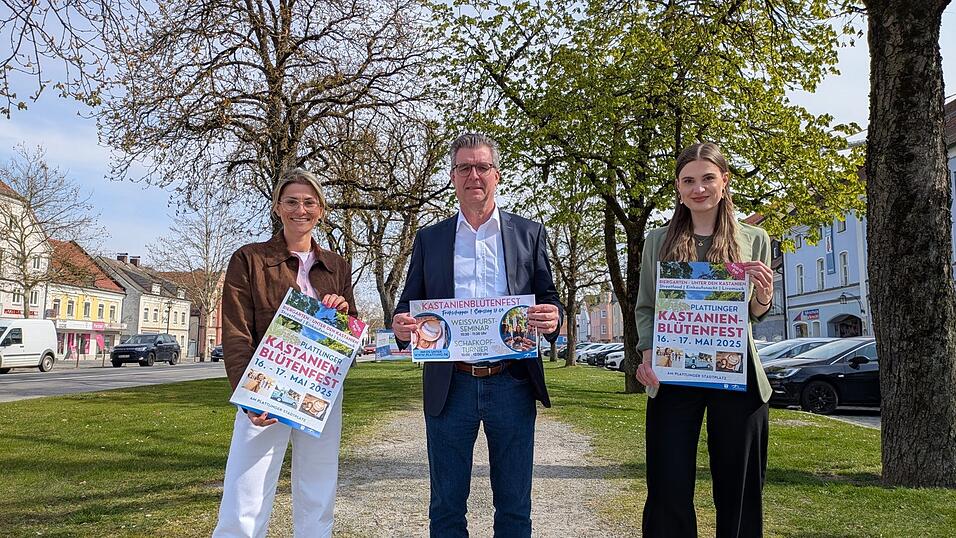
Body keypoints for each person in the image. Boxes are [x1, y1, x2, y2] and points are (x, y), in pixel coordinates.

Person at [392, 133, 563, 538]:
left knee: (515, 508)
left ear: (496, 175)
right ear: (453, 176)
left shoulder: (529, 233)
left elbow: (549, 297)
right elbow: (408, 303)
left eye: (482, 167)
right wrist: (401, 325)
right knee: (446, 509)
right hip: (451, 385)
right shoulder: (430, 239)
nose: (474, 175)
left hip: (512, 382)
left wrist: (553, 316)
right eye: (465, 167)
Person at [634, 142, 774, 538]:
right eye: (688, 181)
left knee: (739, 486)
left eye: (708, 178)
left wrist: (764, 294)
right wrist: (648, 355)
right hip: (673, 372)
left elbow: (756, 312)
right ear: (678, 188)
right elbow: (647, 307)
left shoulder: (754, 238)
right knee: (668, 483)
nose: (699, 189)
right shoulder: (657, 241)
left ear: (724, 181)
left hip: (737, 373)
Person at [214, 168, 356, 538]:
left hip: (321, 389)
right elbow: (236, 332)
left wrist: (342, 314)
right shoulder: (249, 259)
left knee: (318, 488)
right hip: (264, 388)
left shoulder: (337, 265)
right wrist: (247, 394)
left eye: (309, 202)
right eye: (291, 201)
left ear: (321, 209)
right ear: (277, 207)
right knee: (246, 491)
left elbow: (351, 334)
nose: (300, 210)